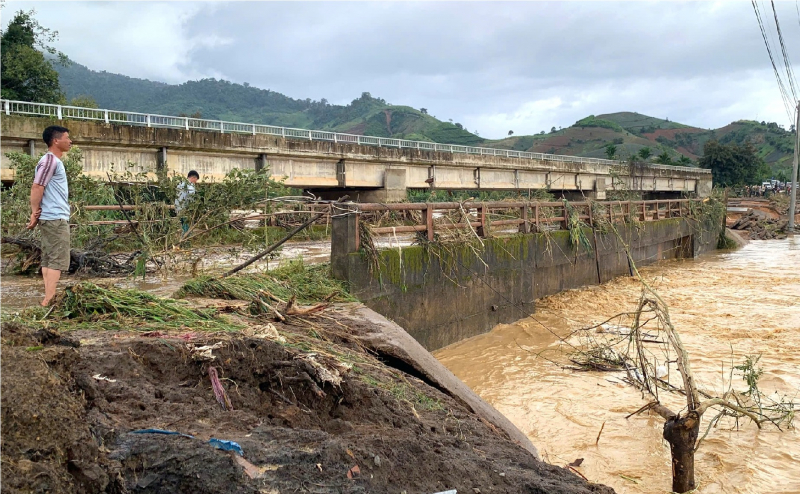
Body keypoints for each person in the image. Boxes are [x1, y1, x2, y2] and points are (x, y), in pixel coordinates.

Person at [26, 125, 73, 306]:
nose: (70, 141)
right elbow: (37, 186)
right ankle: (49, 300)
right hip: (55, 218)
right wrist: (33, 213)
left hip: (52, 217)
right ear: (56, 140)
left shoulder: (52, 161)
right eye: (67, 138)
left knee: (48, 259)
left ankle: (48, 298)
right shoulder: (50, 161)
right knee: (56, 260)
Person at [175, 170, 199, 235]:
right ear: (193, 177)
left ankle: (184, 239)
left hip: (179, 208)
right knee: (186, 226)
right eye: (196, 179)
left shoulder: (180, 184)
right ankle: (186, 240)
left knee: (183, 225)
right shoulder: (190, 186)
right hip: (185, 208)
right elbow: (190, 198)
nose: (195, 182)